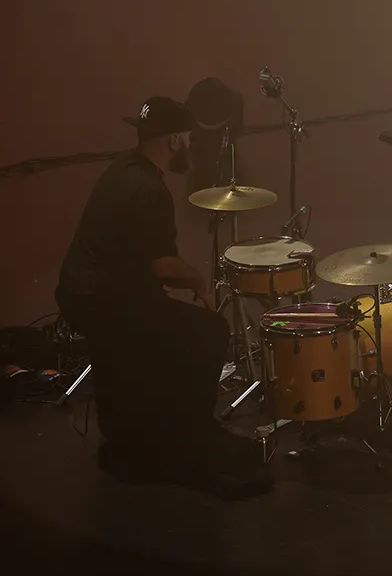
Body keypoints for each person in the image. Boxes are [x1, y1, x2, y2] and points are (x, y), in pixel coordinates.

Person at [55, 96, 271, 496]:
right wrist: (201, 284)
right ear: (174, 141)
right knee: (207, 331)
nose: (189, 144)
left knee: (158, 334)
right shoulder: (149, 190)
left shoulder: (121, 170)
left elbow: (132, 255)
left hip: (83, 293)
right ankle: (191, 440)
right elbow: (163, 266)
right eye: (187, 136)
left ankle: (140, 437)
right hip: (104, 302)